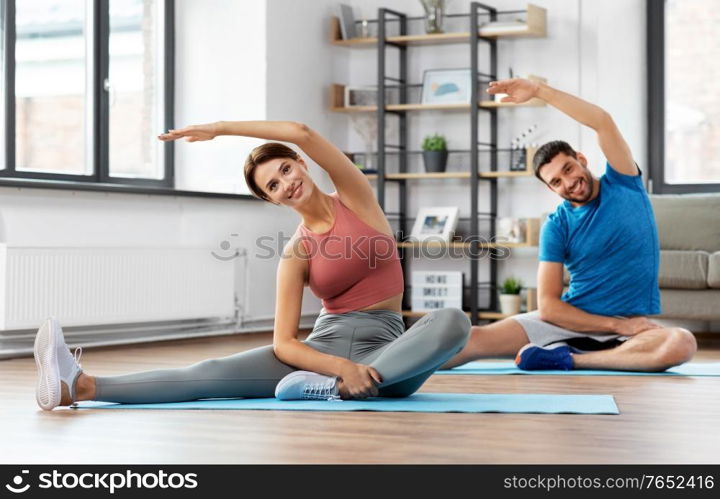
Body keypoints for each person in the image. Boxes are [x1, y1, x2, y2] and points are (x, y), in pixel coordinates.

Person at [33, 121, 471, 411]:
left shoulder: (357, 201)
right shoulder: (295, 253)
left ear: (301, 162)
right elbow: (284, 344)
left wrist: (221, 129)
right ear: (270, 199)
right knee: (207, 374)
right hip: (321, 355)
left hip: (388, 355)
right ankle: (80, 386)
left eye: (286, 168)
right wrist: (340, 368)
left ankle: (333, 393)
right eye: (274, 185)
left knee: (452, 321)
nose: (287, 183)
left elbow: (301, 131)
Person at [443, 78, 697, 372]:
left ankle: (568, 359)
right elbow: (549, 306)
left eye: (568, 169)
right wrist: (617, 325)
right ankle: (383, 370)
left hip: (630, 331)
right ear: (551, 189)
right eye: (556, 182)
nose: (569, 183)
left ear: (581, 159)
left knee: (681, 343)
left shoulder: (625, 183)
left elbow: (602, 122)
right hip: (571, 323)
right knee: (472, 339)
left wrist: (539, 91)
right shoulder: (557, 225)